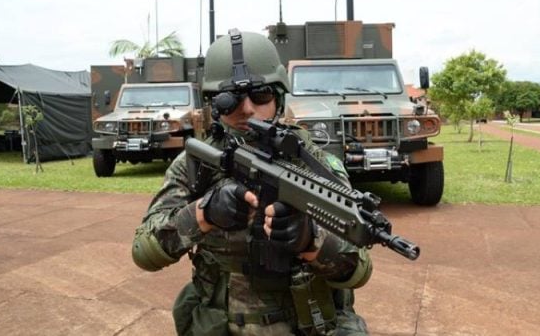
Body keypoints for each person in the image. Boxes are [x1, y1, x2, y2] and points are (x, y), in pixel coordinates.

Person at [132, 29, 372, 335]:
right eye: (230, 99)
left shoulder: (314, 164)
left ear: (279, 96)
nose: (247, 109)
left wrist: (310, 241)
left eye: (261, 95)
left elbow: (359, 270)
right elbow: (143, 252)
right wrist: (204, 213)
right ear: (214, 104)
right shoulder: (196, 162)